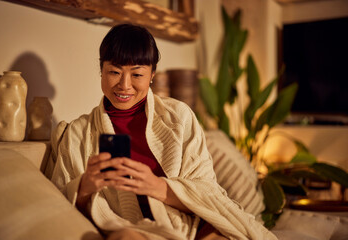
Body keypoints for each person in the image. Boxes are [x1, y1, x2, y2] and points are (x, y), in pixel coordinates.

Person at [46, 24, 277, 240]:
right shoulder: (77, 133)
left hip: (192, 226)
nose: (124, 85)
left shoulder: (179, 117)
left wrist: (155, 186)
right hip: (132, 231)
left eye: (137, 75)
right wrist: (85, 187)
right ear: (101, 70)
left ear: (152, 74)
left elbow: (208, 196)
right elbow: (58, 209)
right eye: (114, 72)